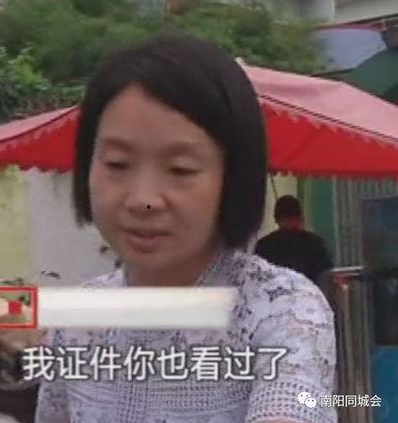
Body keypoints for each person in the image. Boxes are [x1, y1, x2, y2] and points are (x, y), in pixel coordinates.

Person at [35, 33, 336, 423]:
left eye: (180, 169)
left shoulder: (281, 310)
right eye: (117, 164)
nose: (143, 199)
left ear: (233, 178)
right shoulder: (76, 323)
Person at [255, 195, 333, 285]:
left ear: (276, 219)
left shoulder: (264, 246)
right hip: (309, 292)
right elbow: (325, 278)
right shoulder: (316, 244)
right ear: (300, 217)